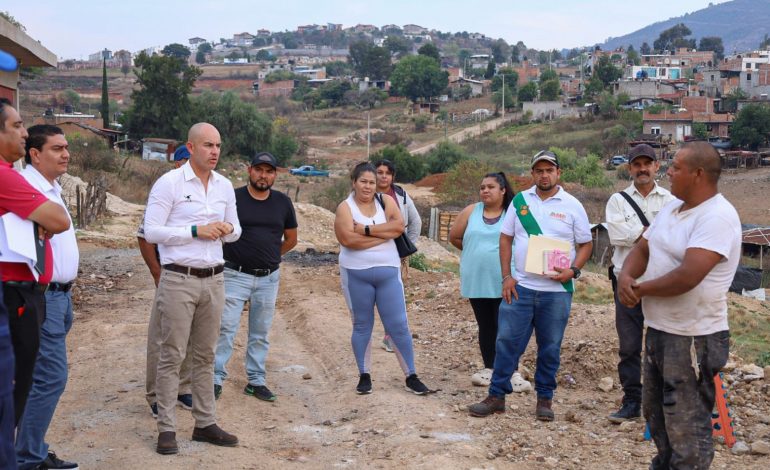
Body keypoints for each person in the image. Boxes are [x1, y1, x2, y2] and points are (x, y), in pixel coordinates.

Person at [618, 142, 741, 469]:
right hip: (660, 331)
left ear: (698, 174)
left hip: (692, 338)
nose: (668, 172)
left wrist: (639, 289)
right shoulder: (673, 209)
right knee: (658, 421)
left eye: (676, 167)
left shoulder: (718, 217)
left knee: (687, 431)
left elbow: (688, 276)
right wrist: (626, 276)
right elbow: (643, 247)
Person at [468, 150, 592, 421]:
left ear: (559, 173)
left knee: (550, 347)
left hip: (556, 292)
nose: (544, 175)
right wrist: (506, 277)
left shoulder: (572, 205)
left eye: (549, 170)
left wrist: (573, 270)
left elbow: (586, 243)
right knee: (506, 343)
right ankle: (496, 396)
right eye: (539, 170)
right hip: (521, 287)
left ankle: (544, 400)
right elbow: (505, 238)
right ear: (532, 173)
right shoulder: (521, 201)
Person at [144, 123, 242, 455]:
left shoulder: (225, 185)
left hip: (214, 278)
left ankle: (205, 423)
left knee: (206, 355)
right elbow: (152, 231)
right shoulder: (168, 183)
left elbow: (236, 229)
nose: (214, 151)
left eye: (218, 145)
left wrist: (227, 228)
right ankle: (167, 429)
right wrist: (195, 231)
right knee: (172, 355)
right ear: (191, 147)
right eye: (208, 145)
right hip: (178, 278)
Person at [0, 99, 70, 430]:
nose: (24, 133)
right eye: (16, 126)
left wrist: (29, 217)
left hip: (29, 294)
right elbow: (58, 221)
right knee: (20, 386)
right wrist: (34, 218)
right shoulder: (7, 178)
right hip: (16, 296)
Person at [334, 162, 431, 396]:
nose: (368, 186)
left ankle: (411, 375)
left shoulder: (385, 201)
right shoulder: (345, 207)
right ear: (354, 182)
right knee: (361, 325)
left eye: (371, 182)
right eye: (363, 181)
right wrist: (383, 235)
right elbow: (348, 240)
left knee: (398, 325)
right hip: (356, 274)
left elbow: (399, 227)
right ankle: (364, 375)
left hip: (388, 273)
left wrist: (366, 230)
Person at [15, 125, 79, 470]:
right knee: (50, 376)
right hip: (43, 296)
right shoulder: (26, 187)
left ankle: (27, 449)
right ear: (35, 153)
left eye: (66, 147)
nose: (65, 153)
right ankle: (28, 457)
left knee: (35, 376)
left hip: (62, 297)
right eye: (56, 148)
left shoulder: (51, 187)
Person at [214, 152, 298, 402]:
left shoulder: (283, 202)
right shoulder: (234, 198)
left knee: (260, 332)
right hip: (234, 274)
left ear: (275, 174)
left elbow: (292, 239)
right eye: (259, 170)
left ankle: (256, 381)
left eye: (269, 171)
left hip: (268, 279)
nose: (264, 175)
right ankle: (215, 379)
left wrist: (271, 256)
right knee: (225, 329)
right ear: (250, 170)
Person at [605, 144, 675, 424]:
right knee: (629, 345)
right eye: (637, 164)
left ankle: (666, 399)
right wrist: (654, 232)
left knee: (666, 343)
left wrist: (640, 233)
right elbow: (617, 236)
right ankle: (632, 399)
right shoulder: (617, 200)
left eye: (648, 163)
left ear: (657, 167)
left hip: (661, 282)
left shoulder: (671, 200)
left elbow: (674, 238)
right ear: (630, 168)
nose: (642, 168)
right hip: (627, 282)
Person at [449, 172, 531, 391]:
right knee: (485, 325)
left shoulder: (515, 212)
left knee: (508, 328)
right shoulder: (471, 211)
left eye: (491, 187)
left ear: (503, 190)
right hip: (477, 279)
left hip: (507, 280)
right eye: (482, 187)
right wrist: (476, 253)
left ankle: (512, 371)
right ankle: (489, 368)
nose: (485, 190)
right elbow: (454, 237)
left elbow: (528, 239)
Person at [138, 145, 194, 418]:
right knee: (162, 339)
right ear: (177, 163)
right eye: (184, 161)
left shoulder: (207, 190)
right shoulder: (165, 190)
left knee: (192, 338)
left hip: (197, 277)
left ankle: (183, 388)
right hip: (171, 276)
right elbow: (144, 236)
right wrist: (157, 273)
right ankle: (156, 395)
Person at [373, 159, 422, 353]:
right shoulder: (365, 193)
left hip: (394, 254)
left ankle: (390, 336)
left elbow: (415, 221)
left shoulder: (400, 195)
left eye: (388, 172)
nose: (384, 176)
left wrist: (407, 246)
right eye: (380, 172)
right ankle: (363, 334)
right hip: (370, 251)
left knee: (392, 297)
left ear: (393, 176)